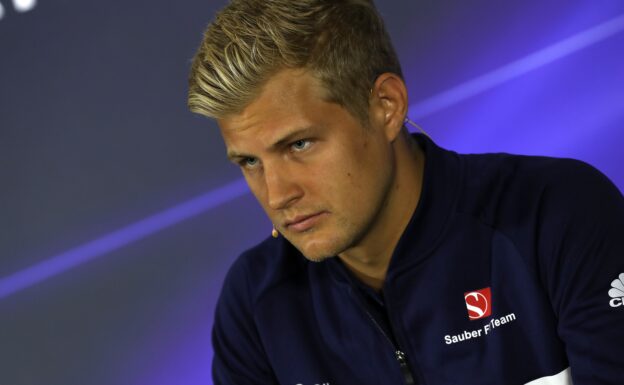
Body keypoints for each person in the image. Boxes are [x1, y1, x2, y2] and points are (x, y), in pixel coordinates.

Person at [187, 0, 624, 384]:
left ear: (386, 106)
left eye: (299, 144)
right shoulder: (255, 302)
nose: (277, 194)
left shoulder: (559, 214)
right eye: (249, 162)